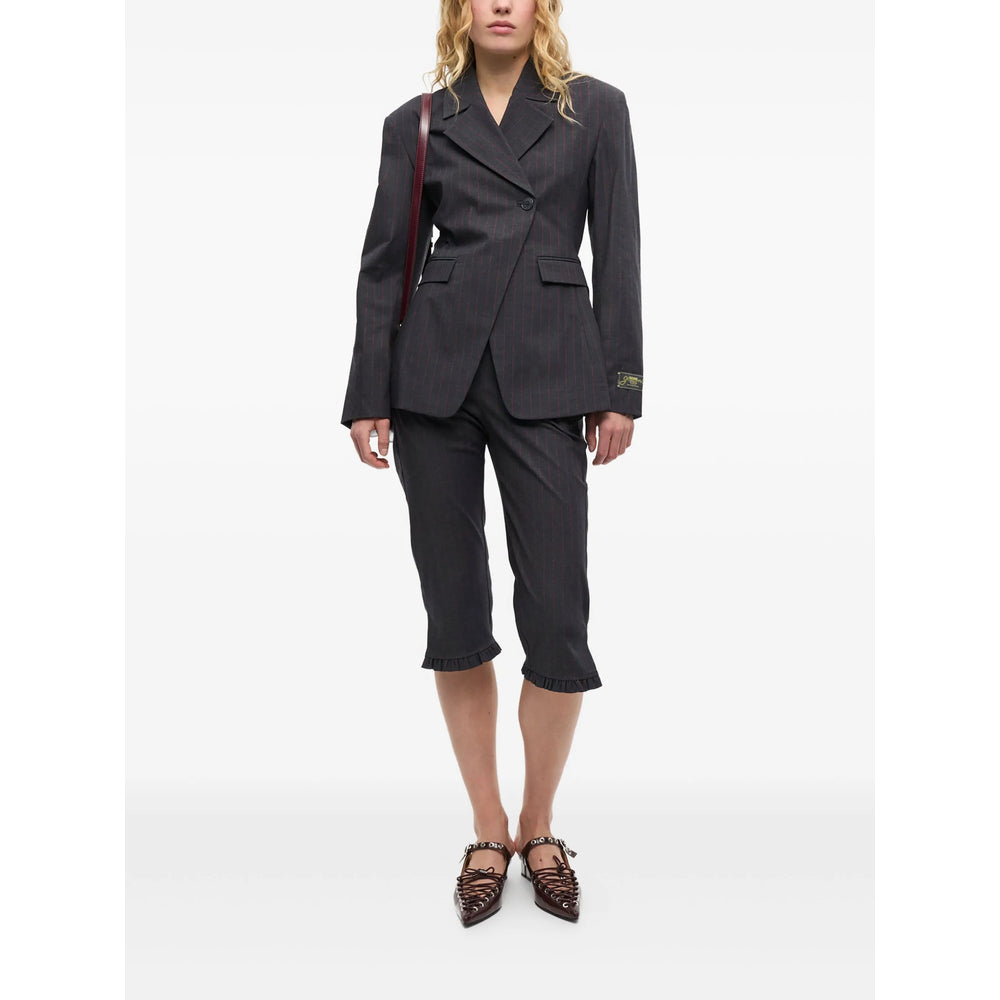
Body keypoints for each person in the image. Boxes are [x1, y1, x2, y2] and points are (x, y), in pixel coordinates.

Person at [340, 0, 642, 926]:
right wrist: (369, 392)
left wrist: (622, 385)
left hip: (550, 371)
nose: (502, 3)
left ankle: (540, 827)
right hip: (434, 379)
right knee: (456, 608)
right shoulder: (419, 121)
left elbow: (619, 249)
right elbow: (385, 263)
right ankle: (487, 829)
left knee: (557, 615)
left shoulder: (596, 108)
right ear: (461, 9)